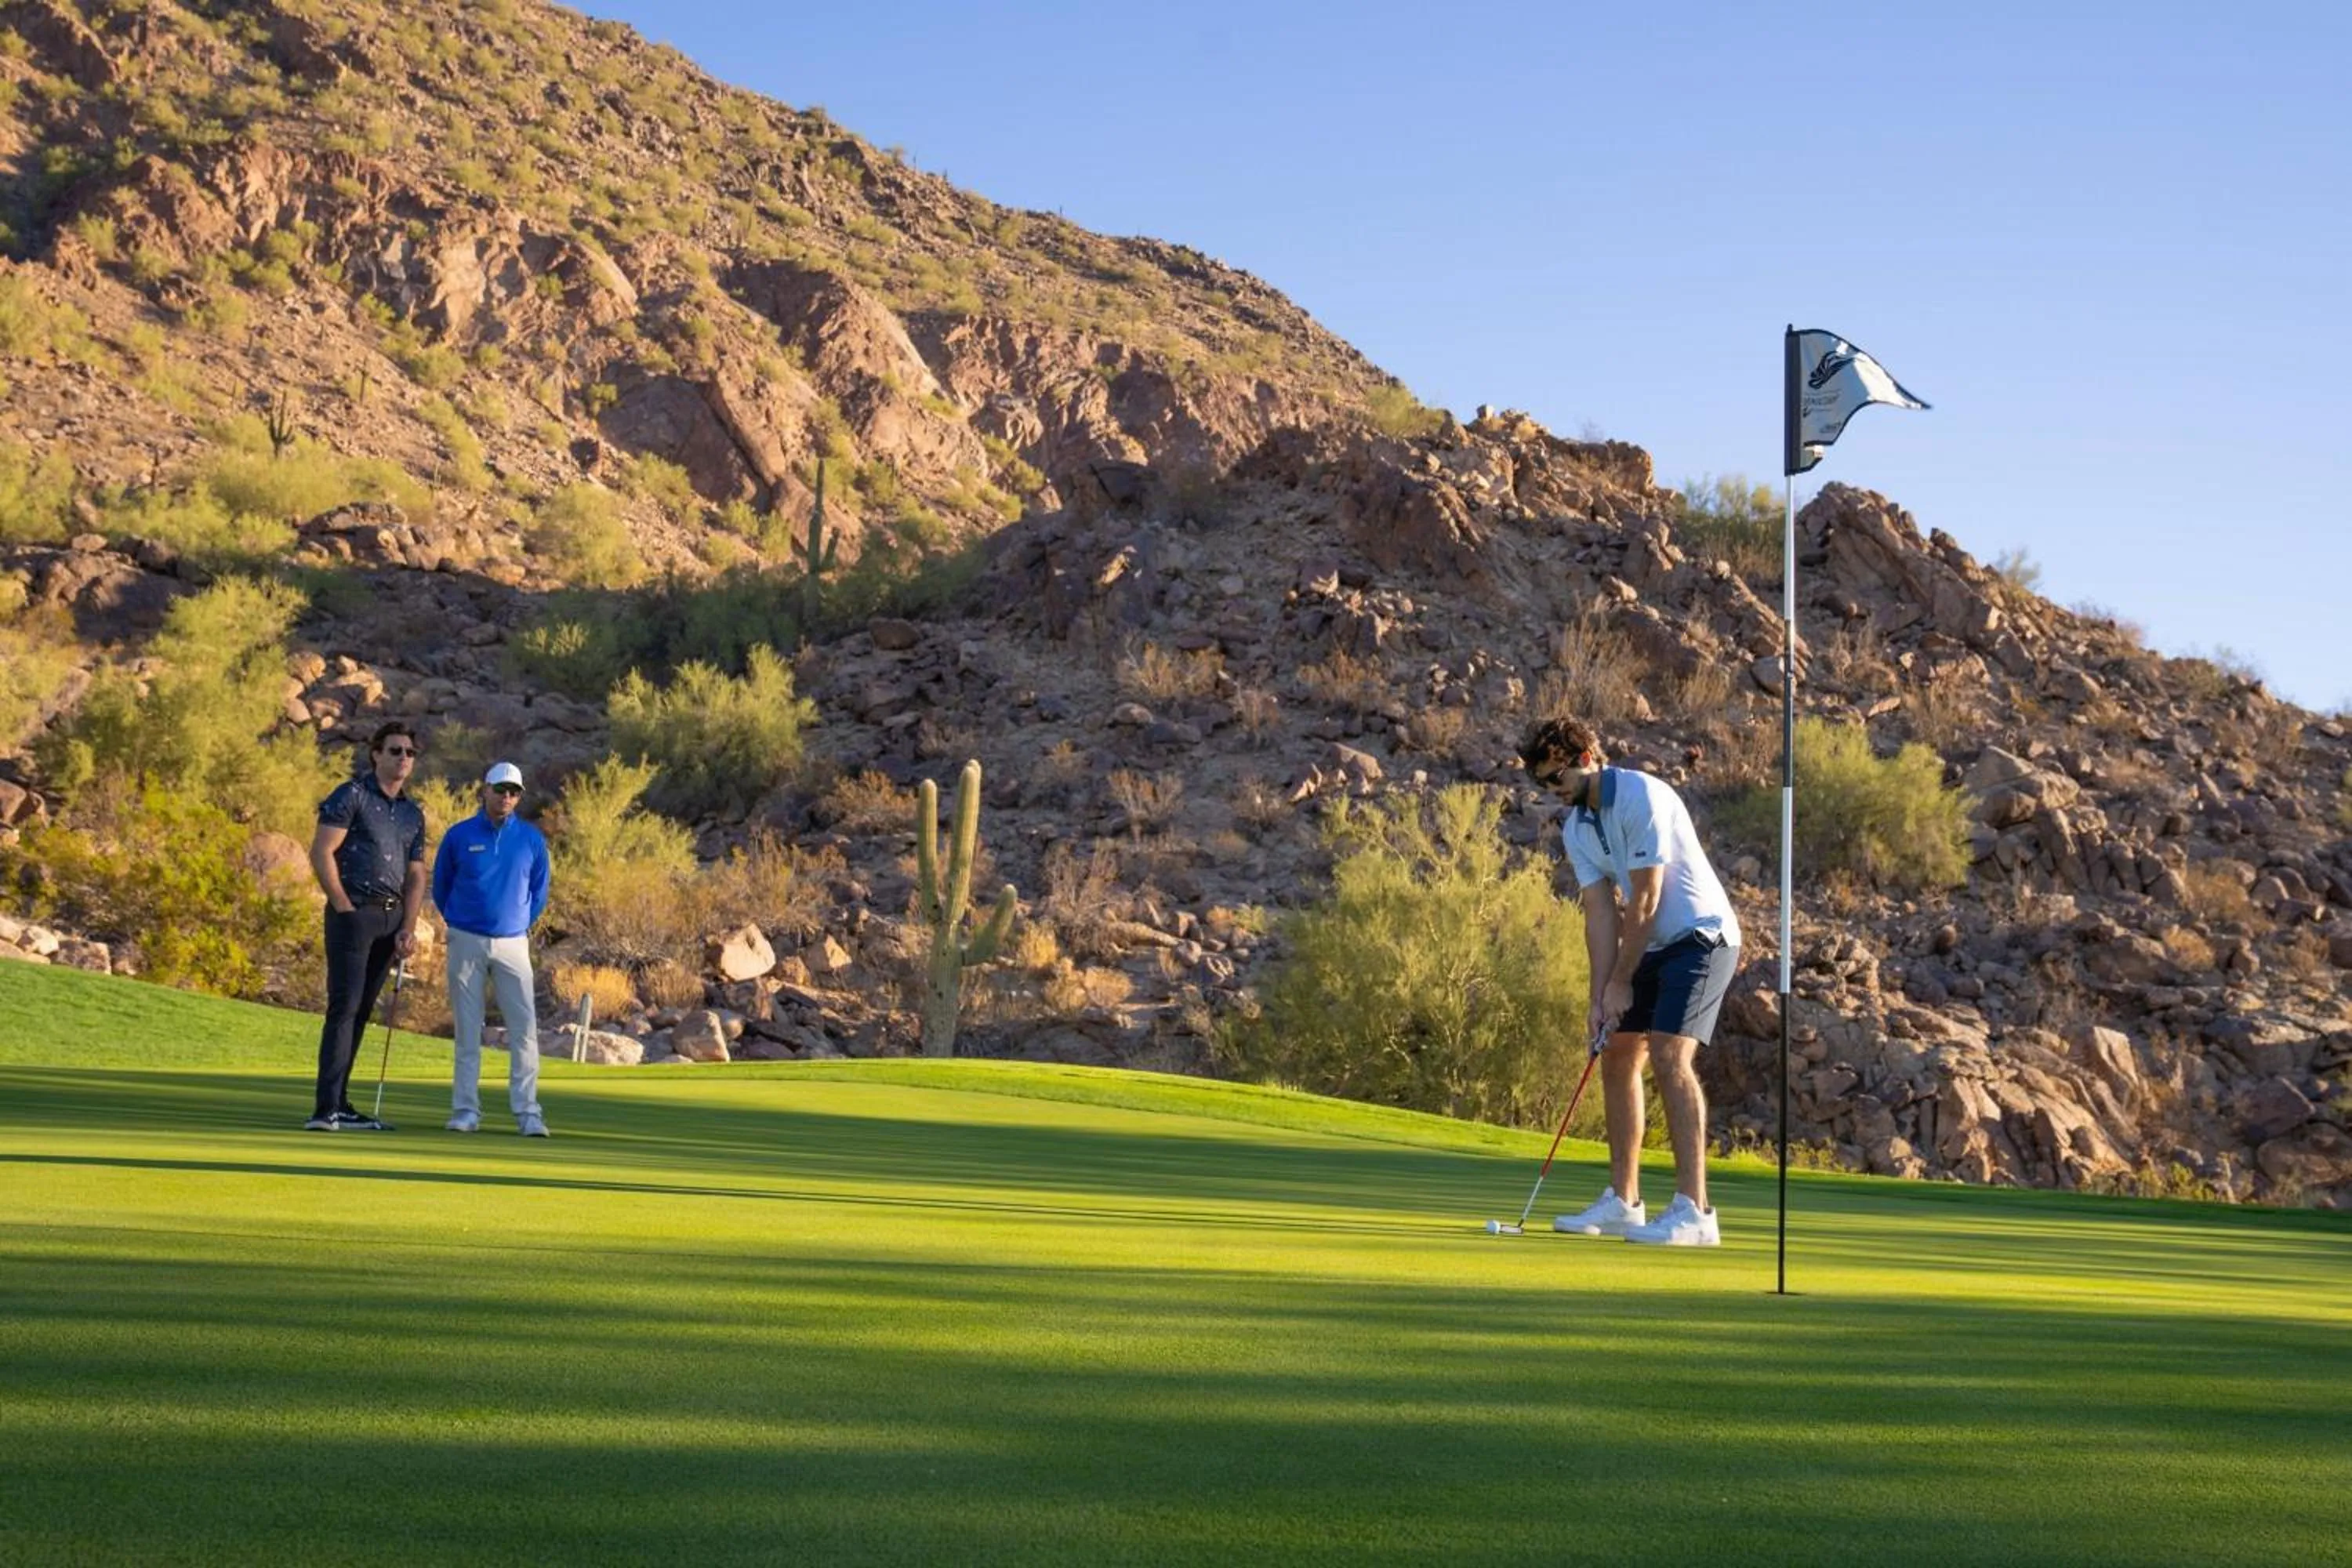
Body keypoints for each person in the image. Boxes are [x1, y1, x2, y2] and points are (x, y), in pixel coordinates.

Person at [1522, 716, 1742, 1246]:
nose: (1551, 791)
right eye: (1542, 784)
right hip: (1653, 944)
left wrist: (1622, 981)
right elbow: (1600, 914)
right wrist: (1600, 998)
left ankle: (1695, 1211)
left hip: (1702, 936)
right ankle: (1624, 1203)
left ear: (1585, 760)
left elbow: (1645, 898)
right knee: (1617, 1051)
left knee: (1669, 1054)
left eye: (1555, 778)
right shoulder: (1577, 828)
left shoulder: (1642, 795)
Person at [307, 721, 428, 1132]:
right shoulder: (352, 795)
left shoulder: (412, 813)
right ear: (376, 754)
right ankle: (325, 1109)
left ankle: (341, 1103)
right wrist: (343, 907)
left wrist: (408, 926)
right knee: (343, 1008)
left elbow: (416, 874)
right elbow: (322, 851)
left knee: (361, 1012)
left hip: (392, 921)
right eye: (395, 751)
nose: (403, 758)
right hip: (354, 914)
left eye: (409, 753)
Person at [431, 760, 552, 1137]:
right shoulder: (460, 835)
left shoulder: (531, 839)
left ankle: (528, 1113)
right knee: (468, 1029)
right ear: (485, 790)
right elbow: (441, 886)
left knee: (524, 1030)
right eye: (500, 790)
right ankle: (466, 1110)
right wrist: (460, 921)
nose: (507, 797)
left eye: (514, 792)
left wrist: (515, 923)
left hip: (513, 943)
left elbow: (539, 893)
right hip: (466, 940)